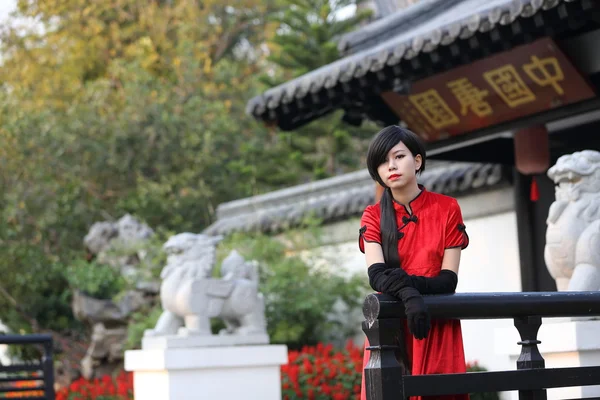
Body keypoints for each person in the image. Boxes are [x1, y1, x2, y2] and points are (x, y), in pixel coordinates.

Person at [359, 126, 470, 400]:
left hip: (436, 322)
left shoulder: (447, 208)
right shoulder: (373, 216)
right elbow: (377, 275)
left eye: (398, 157)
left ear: (417, 160)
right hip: (391, 329)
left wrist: (411, 289)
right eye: (383, 162)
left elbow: (448, 279)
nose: (391, 166)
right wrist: (409, 296)